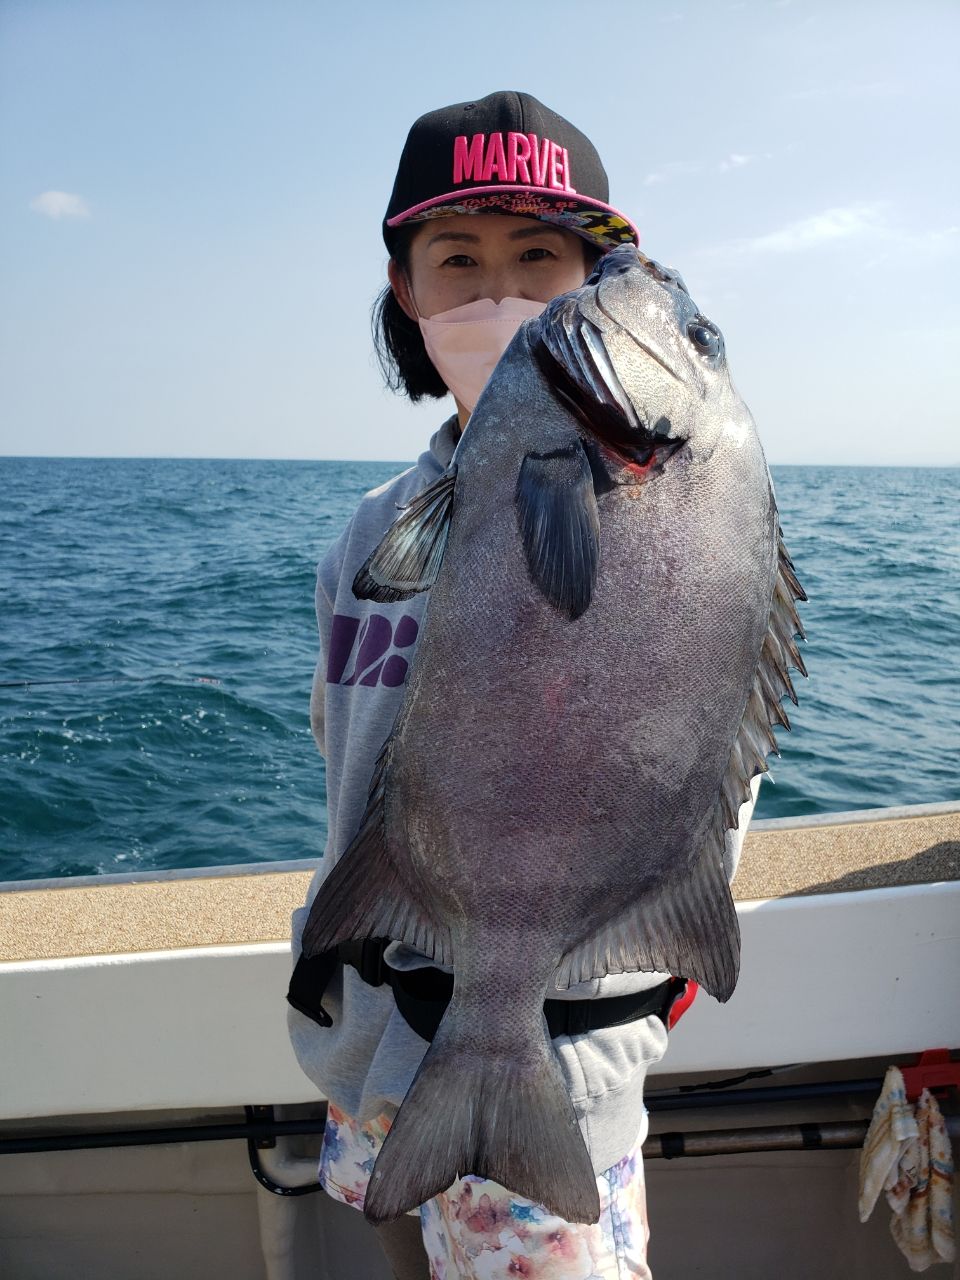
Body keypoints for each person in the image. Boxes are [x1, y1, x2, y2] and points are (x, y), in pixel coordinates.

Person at [288, 90, 756, 1280]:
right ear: (406, 290)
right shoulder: (368, 531)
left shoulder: (679, 482)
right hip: (377, 1053)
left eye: (539, 256)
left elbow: (716, 725)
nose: (498, 289)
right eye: (458, 257)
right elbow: (344, 757)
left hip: (554, 1052)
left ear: (602, 279)